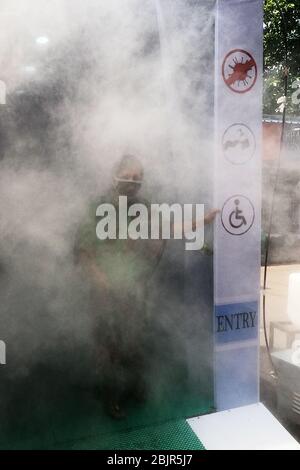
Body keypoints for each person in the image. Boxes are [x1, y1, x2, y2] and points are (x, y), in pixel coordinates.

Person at [75, 154, 218, 418]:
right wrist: (100, 281)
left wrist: (203, 222)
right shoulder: (97, 207)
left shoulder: (143, 207)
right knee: (109, 345)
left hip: (134, 288)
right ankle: (110, 397)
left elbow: (167, 228)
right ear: (114, 176)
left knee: (133, 341)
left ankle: (130, 388)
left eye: (137, 178)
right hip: (104, 291)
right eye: (127, 177)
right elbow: (84, 251)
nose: (132, 182)